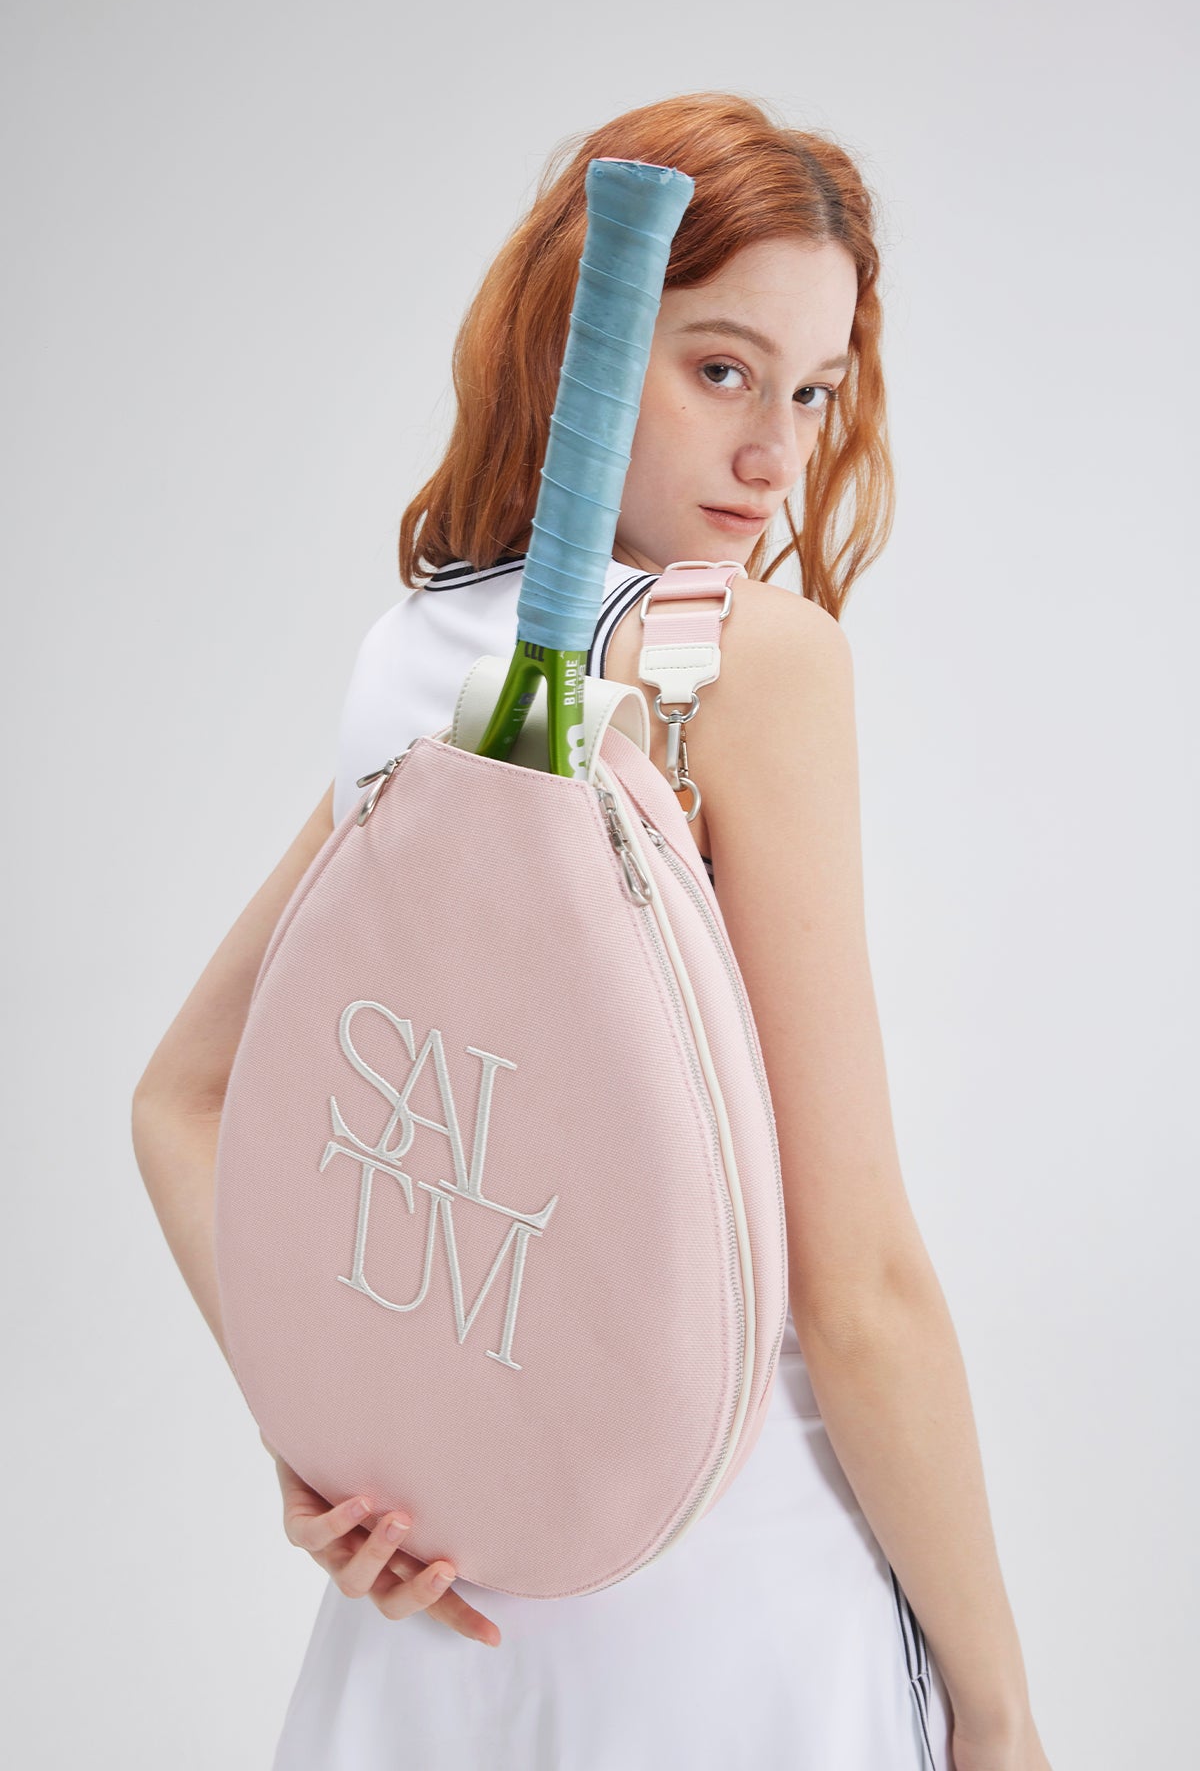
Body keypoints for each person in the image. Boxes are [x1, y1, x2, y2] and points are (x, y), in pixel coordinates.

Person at [131, 91, 1053, 1771]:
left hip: (437, 1614)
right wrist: (997, 1710)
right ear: (583, 341)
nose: (776, 454)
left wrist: (324, 1439)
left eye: (813, 389)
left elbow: (179, 1103)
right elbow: (857, 1291)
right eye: (722, 369)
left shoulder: (420, 650)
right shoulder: (755, 664)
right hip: (733, 1612)